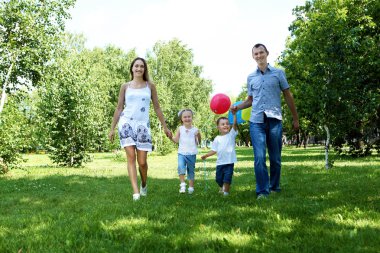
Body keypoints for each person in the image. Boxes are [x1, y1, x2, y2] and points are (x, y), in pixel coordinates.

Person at [230, 43, 299, 199]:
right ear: (253, 57)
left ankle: (274, 186)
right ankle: (262, 191)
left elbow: (288, 96)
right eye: (256, 54)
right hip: (256, 121)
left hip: (274, 119)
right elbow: (250, 100)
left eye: (261, 52)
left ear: (267, 53)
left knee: (275, 157)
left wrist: (295, 118)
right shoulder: (251, 77)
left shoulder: (278, 73)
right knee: (259, 157)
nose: (259, 56)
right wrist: (238, 107)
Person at [109, 57, 172, 201]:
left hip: (143, 125)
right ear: (132, 68)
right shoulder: (125, 86)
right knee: (131, 157)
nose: (139, 69)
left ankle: (144, 184)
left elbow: (157, 107)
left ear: (145, 69)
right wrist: (112, 128)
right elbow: (119, 108)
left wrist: (165, 126)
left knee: (142, 162)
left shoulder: (150, 86)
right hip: (126, 124)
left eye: (141, 66)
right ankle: (136, 193)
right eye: (136, 66)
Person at [201, 113, 238, 196]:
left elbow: (235, 125)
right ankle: (222, 187)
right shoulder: (217, 139)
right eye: (223, 124)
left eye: (227, 124)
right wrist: (206, 155)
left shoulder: (231, 135)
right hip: (220, 163)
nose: (226, 125)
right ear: (218, 127)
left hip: (229, 162)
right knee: (218, 179)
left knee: (227, 178)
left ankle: (226, 193)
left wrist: (234, 115)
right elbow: (214, 150)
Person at [171, 109, 201, 194]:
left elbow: (198, 142)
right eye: (185, 117)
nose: (187, 118)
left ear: (192, 118)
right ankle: (183, 185)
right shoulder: (180, 129)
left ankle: (191, 187)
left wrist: (198, 135)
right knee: (181, 168)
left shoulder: (195, 129)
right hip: (182, 153)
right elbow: (176, 140)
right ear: (182, 119)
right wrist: (170, 137)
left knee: (191, 170)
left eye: (189, 116)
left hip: (191, 153)